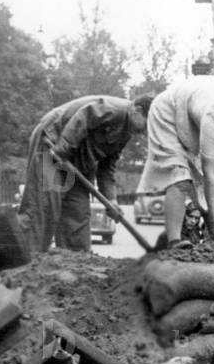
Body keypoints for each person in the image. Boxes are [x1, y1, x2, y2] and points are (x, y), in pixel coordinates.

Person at [136, 76, 214, 249]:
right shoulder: (212, 117)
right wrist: (213, 214)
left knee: (198, 187)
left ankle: (203, 233)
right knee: (180, 176)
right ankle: (174, 241)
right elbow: (209, 173)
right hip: (169, 113)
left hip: (190, 111)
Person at [18, 95, 153, 251]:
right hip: (54, 142)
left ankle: (76, 265)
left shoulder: (126, 132)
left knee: (77, 213)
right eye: (147, 124)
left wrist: (111, 200)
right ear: (137, 110)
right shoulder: (115, 109)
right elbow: (84, 117)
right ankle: (27, 260)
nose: (145, 132)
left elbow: (107, 167)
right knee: (44, 207)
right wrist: (62, 150)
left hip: (79, 162)